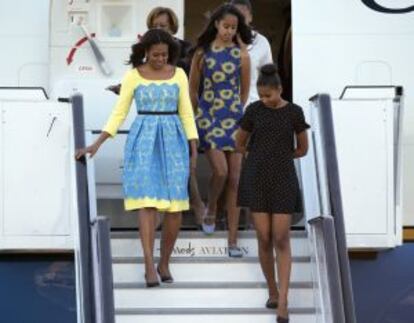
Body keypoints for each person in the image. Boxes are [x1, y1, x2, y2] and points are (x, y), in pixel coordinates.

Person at [76, 29, 198, 287]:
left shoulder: (179, 74)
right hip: (143, 140)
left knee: (175, 207)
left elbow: (186, 112)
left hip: (174, 140)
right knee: (147, 203)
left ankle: (164, 263)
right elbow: (119, 113)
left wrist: (193, 145)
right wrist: (97, 144)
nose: (160, 59)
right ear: (145, 52)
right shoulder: (133, 76)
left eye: (164, 54)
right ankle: (148, 266)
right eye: (155, 55)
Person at [236, 64, 310, 323]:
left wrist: (279, 157)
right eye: (261, 95)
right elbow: (239, 142)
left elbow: (303, 149)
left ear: (280, 89)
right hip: (256, 177)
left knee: (281, 238)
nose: (264, 100)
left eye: (268, 95)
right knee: (264, 237)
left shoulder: (294, 112)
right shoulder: (253, 110)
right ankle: (272, 291)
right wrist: (256, 157)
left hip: (283, 178)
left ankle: (284, 301)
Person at [189, 3, 252, 257]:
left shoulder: (242, 54)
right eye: (225, 26)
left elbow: (245, 91)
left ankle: (233, 241)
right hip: (208, 117)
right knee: (221, 171)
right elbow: (193, 88)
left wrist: (236, 111)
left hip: (234, 118)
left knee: (235, 179)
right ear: (216, 24)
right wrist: (194, 116)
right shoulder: (202, 53)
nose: (229, 31)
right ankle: (212, 206)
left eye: (233, 27)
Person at [231, 0, 273, 106]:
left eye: (243, 15)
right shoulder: (220, 42)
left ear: (250, 17)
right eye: (236, 15)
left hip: (253, 105)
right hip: (225, 107)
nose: (239, 20)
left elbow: (269, 78)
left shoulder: (261, 42)